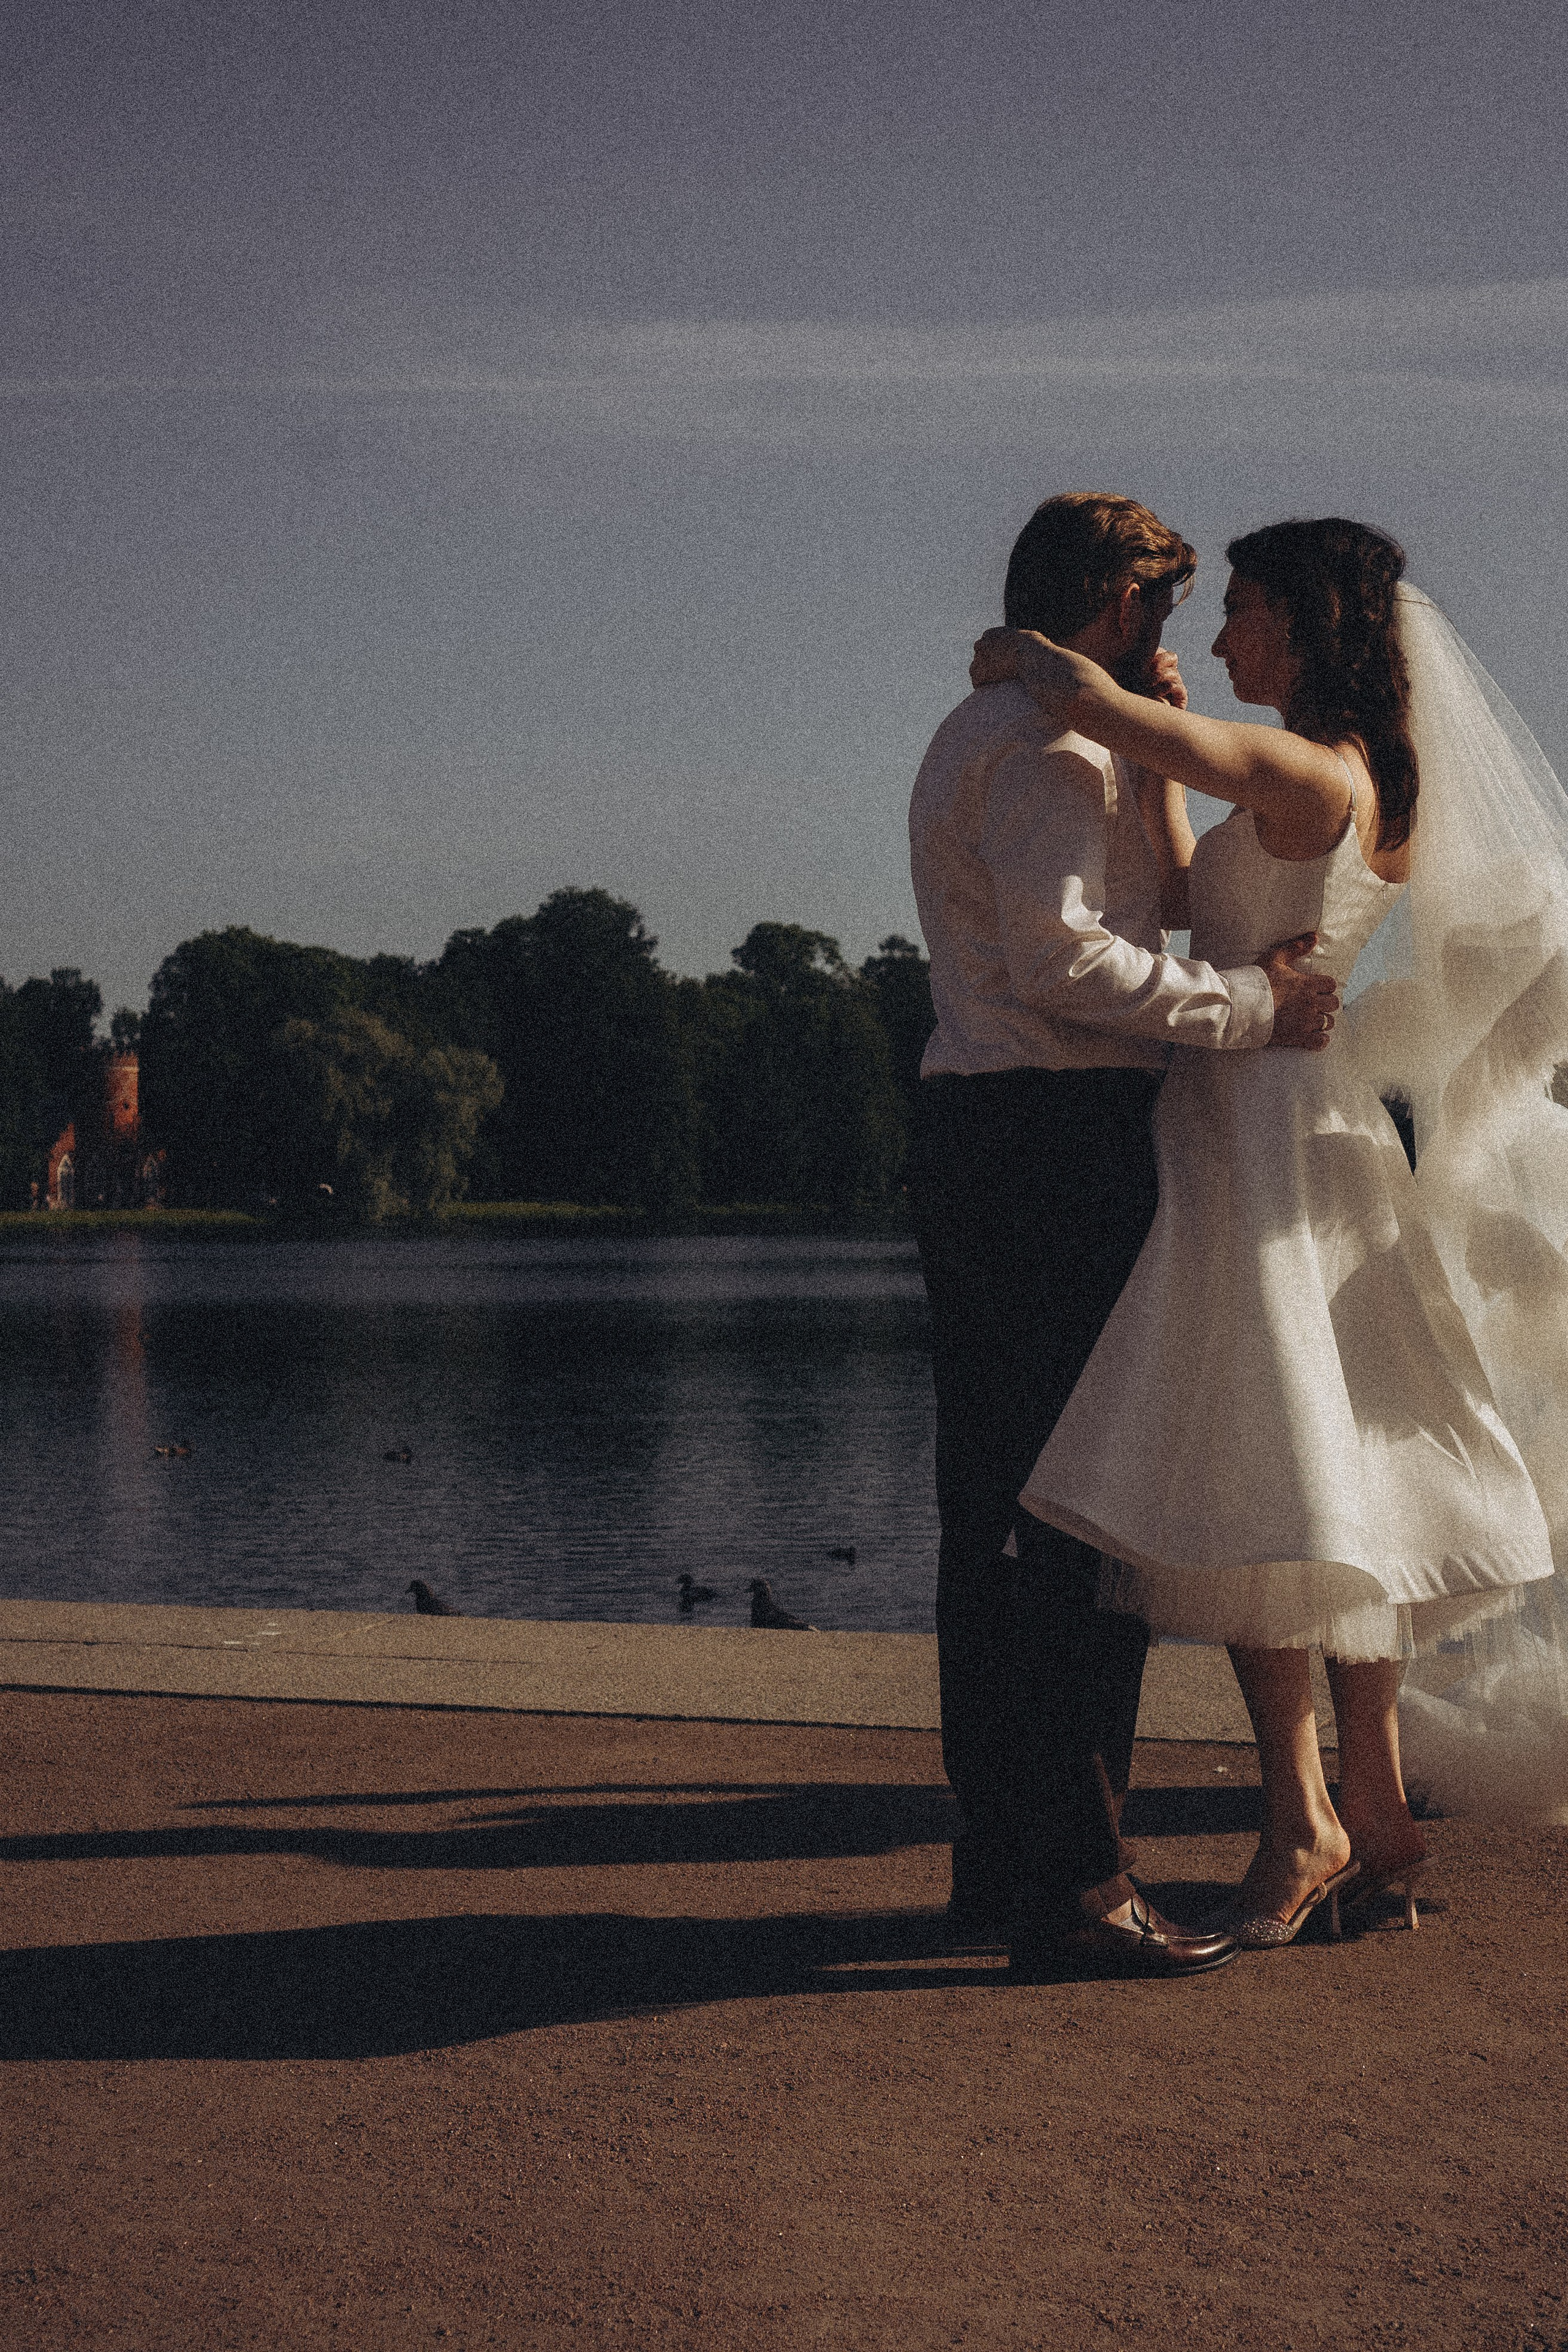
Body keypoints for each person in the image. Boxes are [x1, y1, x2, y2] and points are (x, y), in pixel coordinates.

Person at [978, 517, 1564, 1949]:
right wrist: (1169, 747)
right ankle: (1365, 1813)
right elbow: (1190, 900)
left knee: (1268, 1471)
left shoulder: (1306, 771)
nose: (1221, 637)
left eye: (1240, 611)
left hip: (1255, 1138)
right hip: (1295, 1125)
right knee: (1326, 1479)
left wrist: (1027, 650)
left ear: (1306, 624)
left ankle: (1300, 1817)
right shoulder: (1336, 781)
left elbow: (1085, 708)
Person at [908, 492, 1341, 1981]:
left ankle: (1010, 1864)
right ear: (1108, 604)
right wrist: (1249, 1010)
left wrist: (1140, 739)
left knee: (1001, 1521)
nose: (1175, 639)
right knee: (1068, 1526)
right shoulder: (1038, 748)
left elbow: (1132, 900)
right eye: (1157, 609)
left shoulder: (1033, 736)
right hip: (1046, 1139)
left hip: (996, 1137)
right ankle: (1080, 1888)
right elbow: (1066, 959)